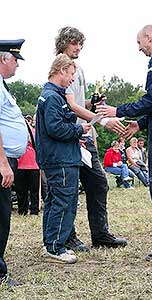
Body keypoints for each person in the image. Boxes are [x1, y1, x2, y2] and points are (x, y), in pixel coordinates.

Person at [96, 25, 152, 260]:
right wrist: (140, 124)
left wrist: (118, 110)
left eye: (139, 43)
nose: (139, 48)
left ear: (149, 37)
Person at [55, 26, 128, 250]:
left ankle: (100, 233)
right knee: (69, 189)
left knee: (98, 183)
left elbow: (80, 103)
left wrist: (94, 105)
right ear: (64, 43)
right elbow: (70, 105)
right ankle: (68, 236)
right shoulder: (60, 68)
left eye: (80, 44)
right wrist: (103, 120)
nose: (78, 47)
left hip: (86, 134)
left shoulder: (79, 69)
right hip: (71, 136)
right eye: (74, 43)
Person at [35, 54, 91, 264]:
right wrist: (79, 129)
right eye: (71, 74)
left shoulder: (51, 95)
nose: (72, 79)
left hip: (59, 156)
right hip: (61, 159)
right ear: (61, 71)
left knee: (54, 201)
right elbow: (55, 128)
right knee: (64, 202)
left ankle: (50, 242)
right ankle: (56, 247)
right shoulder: (52, 97)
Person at [0, 39, 28, 285]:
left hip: (7, 158)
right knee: (0, 216)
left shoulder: (3, 86)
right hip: (2, 160)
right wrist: (2, 163)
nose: (17, 66)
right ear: (3, 58)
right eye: (15, 60)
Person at [15, 114, 40, 215]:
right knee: (21, 190)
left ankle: (34, 210)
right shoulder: (17, 133)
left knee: (34, 190)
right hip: (20, 164)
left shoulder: (34, 132)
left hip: (33, 164)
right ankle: (22, 210)